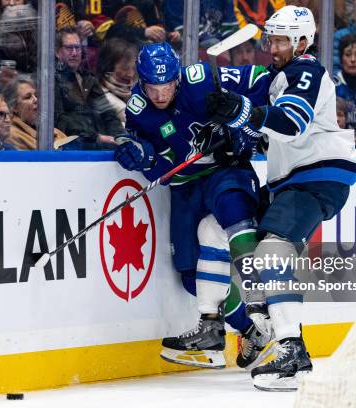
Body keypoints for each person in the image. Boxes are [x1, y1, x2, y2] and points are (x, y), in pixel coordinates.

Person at [205, 6, 356, 390]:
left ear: (302, 42)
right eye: (271, 39)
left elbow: (291, 124)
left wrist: (242, 111)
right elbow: (266, 132)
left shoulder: (307, 70)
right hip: (289, 181)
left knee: (271, 253)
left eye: (279, 40)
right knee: (213, 229)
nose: (272, 47)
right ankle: (239, 320)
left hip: (316, 177)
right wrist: (232, 133)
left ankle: (293, 349)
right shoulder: (281, 76)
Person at [114, 42, 274, 370]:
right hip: (186, 187)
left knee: (233, 211)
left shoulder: (203, 78)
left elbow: (262, 79)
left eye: (167, 85)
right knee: (190, 274)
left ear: (178, 77)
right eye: (152, 87)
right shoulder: (137, 110)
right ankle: (245, 329)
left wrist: (238, 122)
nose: (160, 94)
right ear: (141, 83)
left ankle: (260, 303)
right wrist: (143, 156)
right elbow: (161, 171)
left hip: (225, 169)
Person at [54, 28, 122, 150]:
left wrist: (120, 138)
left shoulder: (88, 79)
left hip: (102, 144)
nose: (74, 53)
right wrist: (96, 137)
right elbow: (59, 120)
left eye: (77, 47)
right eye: (69, 48)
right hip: (74, 148)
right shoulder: (52, 80)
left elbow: (108, 113)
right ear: (58, 52)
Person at [3, 77, 67, 150]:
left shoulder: (55, 132)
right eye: (28, 97)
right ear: (14, 107)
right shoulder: (11, 136)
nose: (36, 100)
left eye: (36, 95)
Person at [96, 38, 139, 127]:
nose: (130, 74)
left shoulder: (138, 92)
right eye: (125, 68)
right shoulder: (102, 97)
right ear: (108, 67)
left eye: (133, 68)